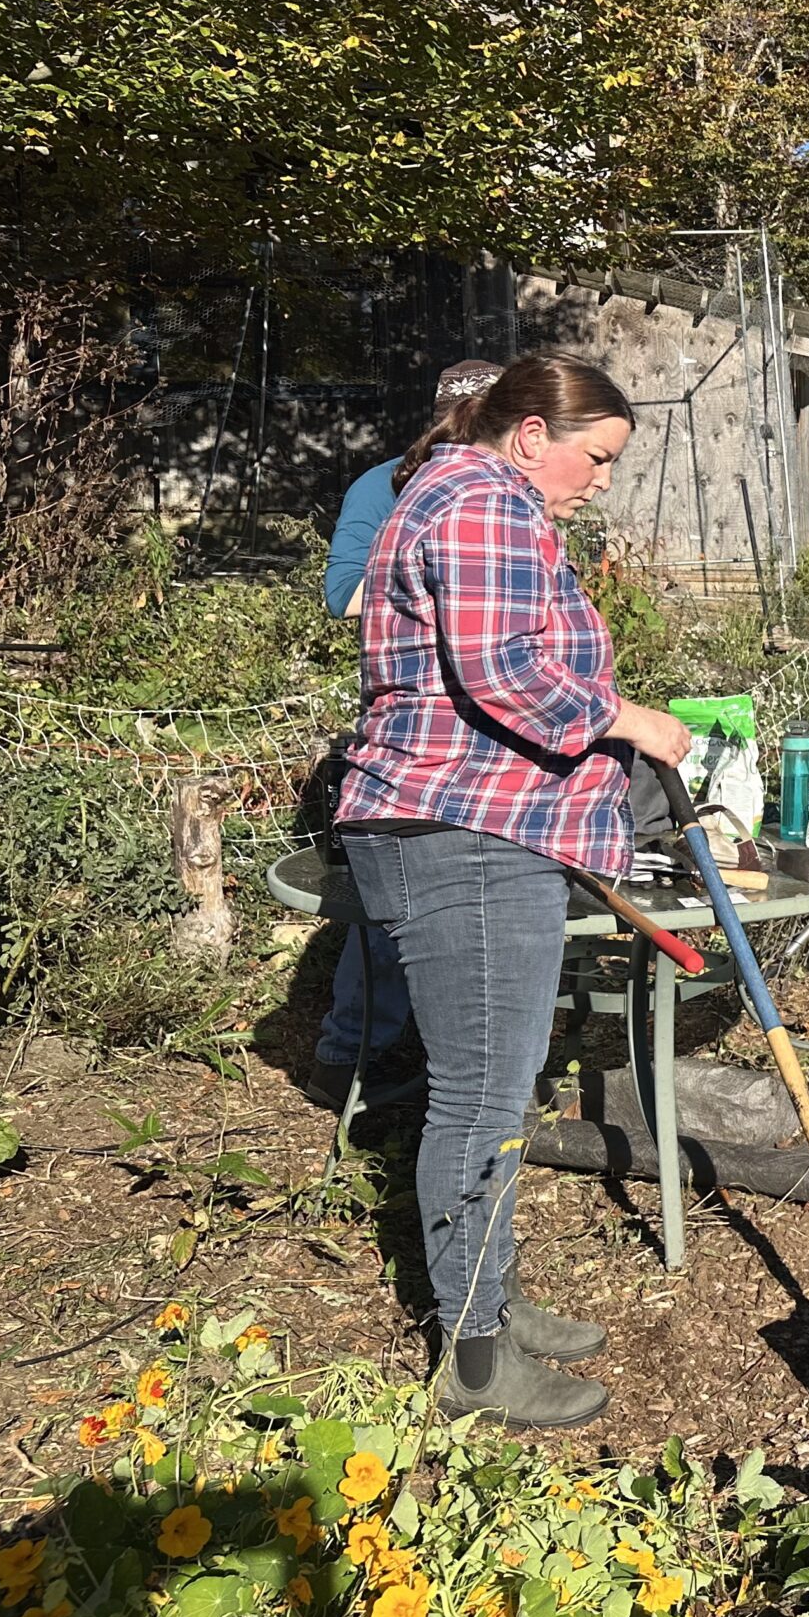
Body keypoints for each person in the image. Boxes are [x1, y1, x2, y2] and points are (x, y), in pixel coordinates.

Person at [334, 352, 693, 1427]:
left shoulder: (466, 495)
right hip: (466, 836)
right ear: (531, 433)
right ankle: (476, 1363)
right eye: (596, 458)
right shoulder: (481, 501)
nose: (601, 480)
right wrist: (633, 722)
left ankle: (492, 1298)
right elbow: (507, 674)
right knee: (483, 1101)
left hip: (471, 827)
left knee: (492, 1088)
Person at [309, 360, 503, 1108]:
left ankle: (466, 1058)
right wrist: (440, 577)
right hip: (416, 724)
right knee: (394, 899)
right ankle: (351, 1053)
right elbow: (344, 593)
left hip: (497, 728)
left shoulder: (514, 491)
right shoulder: (386, 484)